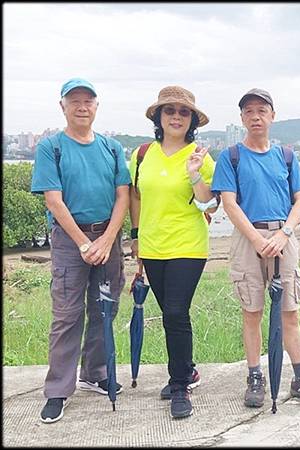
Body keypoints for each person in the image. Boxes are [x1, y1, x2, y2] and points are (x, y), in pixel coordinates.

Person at [211, 88, 300, 410]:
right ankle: (255, 375)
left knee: (290, 312)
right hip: (248, 241)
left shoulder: (286, 156)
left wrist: (284, 233)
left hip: (283, 238)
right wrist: (257, 240)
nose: (256, 116)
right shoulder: (231, 156)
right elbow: (229, 204)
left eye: (262, 110)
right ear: (242, 119)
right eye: (249, 112)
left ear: (272, 116)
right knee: (252, 313)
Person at [31, 78, 131, 423]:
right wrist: (85, 242)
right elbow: (53, 201)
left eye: (88, 101)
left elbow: (123, 196)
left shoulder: (112, 147)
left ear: (96, 106)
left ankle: (96, 372)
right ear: (63, 106)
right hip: (69, 241)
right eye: (74, 101)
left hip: (109, 237)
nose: (82, 106)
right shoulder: (51, 147)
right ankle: (58, 389)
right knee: (66, 314)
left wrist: (106, 240)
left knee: (105, 308)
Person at [129, 86, 216, 419]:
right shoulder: (141, 155)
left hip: (188, 245)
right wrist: (135, 236)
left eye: (183, 112)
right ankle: (188, 368)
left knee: (176, 312)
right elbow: (135, 196)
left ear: (191, 119)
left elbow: (209, 203)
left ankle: (180, 385)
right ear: (159, 117)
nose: (176, 116)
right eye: (170, 111)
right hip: (152, 246)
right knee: (170, 313)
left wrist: (194, 173)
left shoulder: (200, 155)